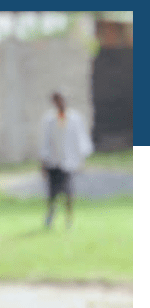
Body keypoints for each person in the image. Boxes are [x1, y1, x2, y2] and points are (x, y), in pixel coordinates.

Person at [40, 90, 93, 229]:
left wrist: (81, 158)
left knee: (68, 193)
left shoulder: (74, 118)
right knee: (52, 194)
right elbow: (45, 141)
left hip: (68, 162)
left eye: (61, 99)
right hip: (53, 162)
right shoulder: (49, 119)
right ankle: (50, 217)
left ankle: (69, 219)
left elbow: (80, 139)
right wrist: (43, 161)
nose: (59, 103)